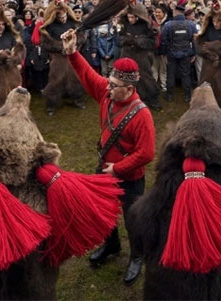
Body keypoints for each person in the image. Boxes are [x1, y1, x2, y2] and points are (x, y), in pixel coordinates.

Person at [61, 28, 155, 286]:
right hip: (105, 169)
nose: (108, 88)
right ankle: (111, 245)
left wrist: (119, 168)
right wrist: (72, 52)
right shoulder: (108, 92)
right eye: (109, 82)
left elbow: (146, 153)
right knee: (104, 212)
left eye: (114, 86)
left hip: (130, 177)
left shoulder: (142, 115)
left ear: (130, 88)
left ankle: (137, 257)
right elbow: (88, 76)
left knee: (132, 218)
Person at [160, 4, 196, 103]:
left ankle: (169, 95)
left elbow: (163, 41)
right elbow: (195, 40)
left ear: (176, 12)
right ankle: (187, 96)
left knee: (170, 74)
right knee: (186, 74)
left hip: (171, 53)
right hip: (186, 53)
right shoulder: (191, 24)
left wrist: (163, 52)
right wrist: (194, 54)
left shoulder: (168, 25)